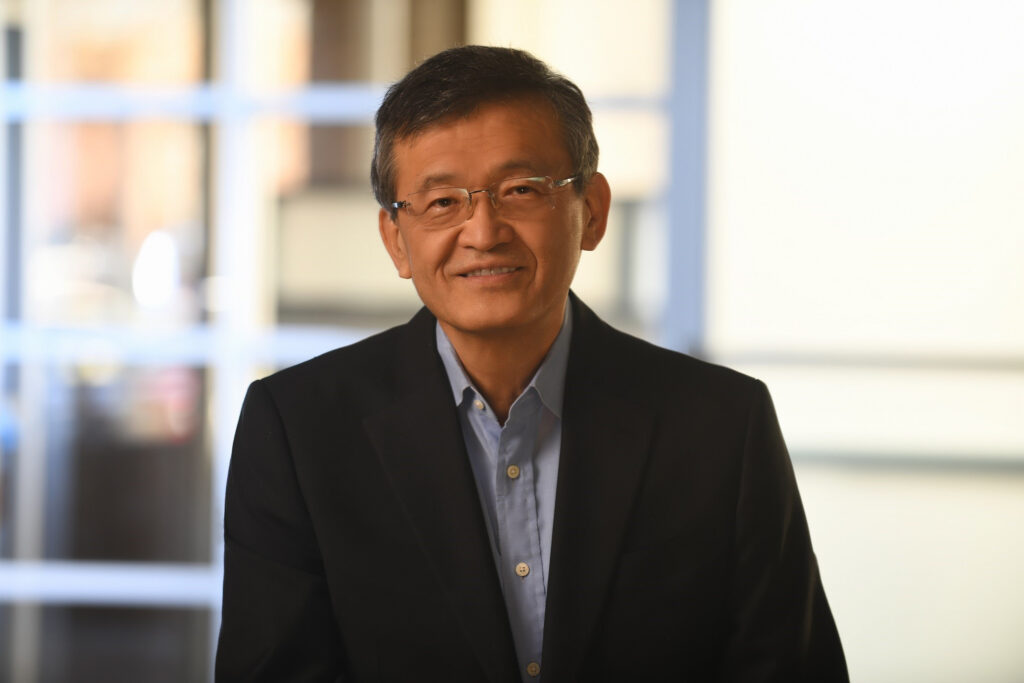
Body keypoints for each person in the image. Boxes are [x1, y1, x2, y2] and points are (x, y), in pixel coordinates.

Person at [215, 45, 847, 682]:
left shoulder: (720, 425)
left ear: (592, 210)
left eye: (521, 190)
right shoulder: (299, 432)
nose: (483, 231)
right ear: (395, 240)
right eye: (442, 202)